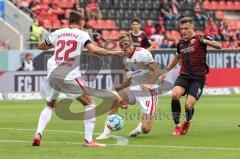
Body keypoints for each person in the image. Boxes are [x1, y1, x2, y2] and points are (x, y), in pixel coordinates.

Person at [32, 10, 123, 147]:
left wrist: (54, 44)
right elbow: (94, 50)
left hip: (52, 72)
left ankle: (38, 133)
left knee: (50, 106)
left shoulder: (58, 32)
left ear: (69, 22)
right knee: (90, 104)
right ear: (81, 23)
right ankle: (89, 140)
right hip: (69, 74)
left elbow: (41, 46)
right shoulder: (82, 34)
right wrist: (114, 53)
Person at [161, 17, 221, 136]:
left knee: (188, 105)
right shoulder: (181, 43)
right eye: (181, 29)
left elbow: (218, 45)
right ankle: (177, 126)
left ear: (192, 28)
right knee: (175, 95)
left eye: (186, 28)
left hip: (198, 78)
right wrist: (165, 71)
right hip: (184, 76)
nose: (183, 31)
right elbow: (177, 58)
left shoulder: (200, 37)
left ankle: (187, 121)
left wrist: (205, 41)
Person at [96, 33, 161, 139]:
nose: (124, 47)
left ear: (131, 43)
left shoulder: (142, 53)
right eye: (121, 45)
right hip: (135, 87)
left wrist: (148, 86)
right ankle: (106, 133)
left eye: (126, 44)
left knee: (146, 129)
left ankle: (140, 127)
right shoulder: (125, 58)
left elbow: (157, 71)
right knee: (114, 99)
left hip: (149, 91)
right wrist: (120, 87)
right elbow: (130, 77)